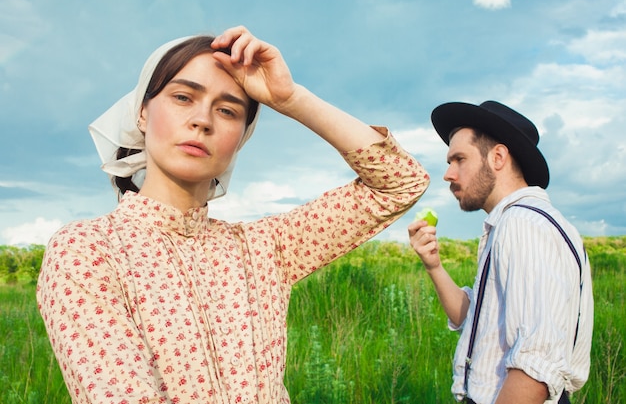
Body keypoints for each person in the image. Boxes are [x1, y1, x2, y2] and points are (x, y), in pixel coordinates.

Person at [37, 26, 430, 404]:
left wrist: (290, 99)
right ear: (142, 113)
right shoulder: (86, 251)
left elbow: (399, 182)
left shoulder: (264, 248)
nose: (202, 120)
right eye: (182, 98)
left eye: (227, 110)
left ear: (242, 137)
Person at [408, 101, 593, 404]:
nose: (448, 174)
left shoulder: (523, 225)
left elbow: (535, 368)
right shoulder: (518, 222)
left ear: (497, 157)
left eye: (459, 159)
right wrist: (434, 266)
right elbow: (478, 320)